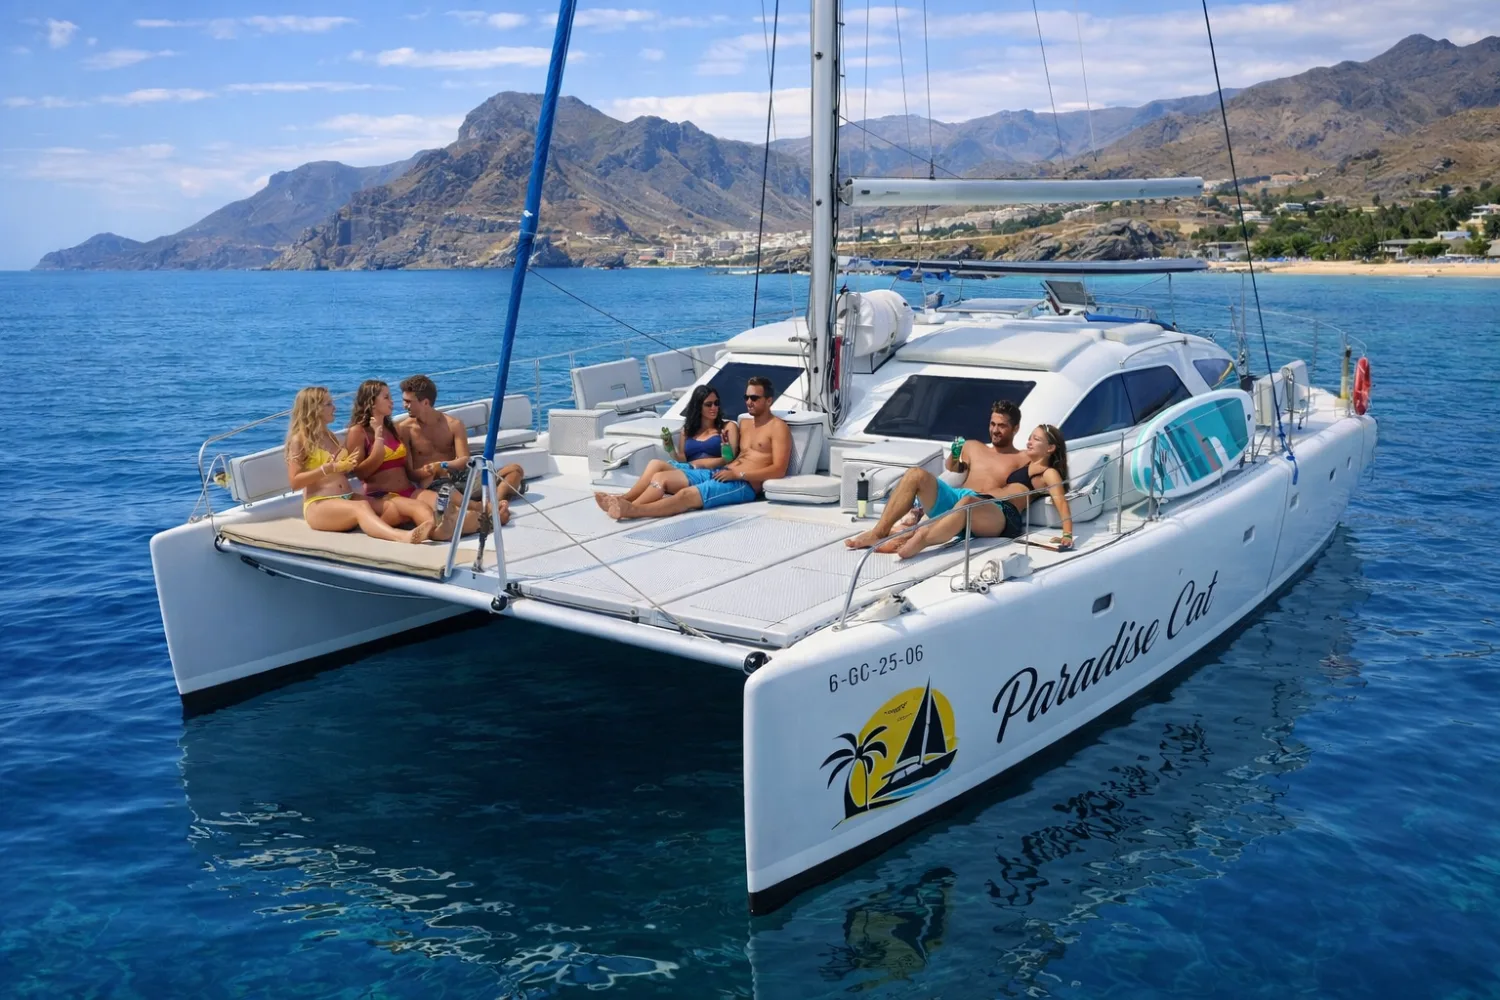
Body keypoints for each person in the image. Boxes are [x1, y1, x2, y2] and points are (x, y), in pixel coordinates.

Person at [595, 376, 790, 520]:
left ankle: (633, 510)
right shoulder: (746, 423)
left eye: (754, 398)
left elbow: (779, 470)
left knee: (686, 496)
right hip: (721, 473)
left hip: (744, 484)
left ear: (769, 400)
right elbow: (733, 456)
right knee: (661, 477)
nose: (748, 402)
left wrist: (738, 474)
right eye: (746, 397)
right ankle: (625, 502)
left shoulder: (778, 427)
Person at [846, 400, 1029, 551]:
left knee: (968, 503)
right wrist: (955, 454)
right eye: (992, 424)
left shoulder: (1022, 458)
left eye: (1002, 426)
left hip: (985, 511)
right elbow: (954, 468)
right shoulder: (973, 447)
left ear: (1015, 428)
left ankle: (915, 537)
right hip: (956, 499)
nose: (995, 430)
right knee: (915, 474)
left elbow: (1039, 474)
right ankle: (878, 532)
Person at [885, 423, 1074, 560]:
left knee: (967, 503)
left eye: (1036, 439)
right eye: (1030, 437)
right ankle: (908, 534)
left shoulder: (1048, 473)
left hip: (1006, 515)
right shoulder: (1027, 464)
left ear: (1050, 448)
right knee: (963, 500)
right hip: (987, 506)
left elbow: (1061, 501)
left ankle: (923, 539)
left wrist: (1067, 535)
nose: (1029, 442)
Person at [283, 386, 433, 544]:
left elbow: (337, 470)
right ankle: (401, 536)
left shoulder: (330, 435)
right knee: (361, 507)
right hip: (320, 503)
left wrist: (345, 465)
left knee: (392, 507)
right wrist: (326, 469)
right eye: (328, 404)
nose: (334, 408)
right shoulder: (299, 440)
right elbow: (295, 482)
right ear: (314, 409)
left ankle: (377, 529)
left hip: (347, 497)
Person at [398, 374, 523, 529]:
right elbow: (410, 473)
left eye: (408, 401)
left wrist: (442, 465)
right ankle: (487, 508)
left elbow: (464, 459)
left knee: (515, 470)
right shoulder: (404, 430)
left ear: (425, 402)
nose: (404, 405)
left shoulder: (453, 425)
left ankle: (493, 503)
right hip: (434, 483)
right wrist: (432, 470)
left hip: (459, 476)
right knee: (445, 492)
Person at [344, 379, 442, 530]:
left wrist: (429, 470)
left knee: (444, 503)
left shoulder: (394, 428)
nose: (392, 401)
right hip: (383, 496)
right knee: (424, 512)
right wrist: (378, 439)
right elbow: (360, 473)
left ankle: (464, 524)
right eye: (386, 397)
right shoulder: (358, 432)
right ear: (371, 402)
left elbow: (408, 471)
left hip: (409, 491)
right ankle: (436, 533)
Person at [668, 384, 739, 469]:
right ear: (698, 407)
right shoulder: (687, 430)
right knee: (657, 465)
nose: (714, 407)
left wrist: (696, 465)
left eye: (716, 403)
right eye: (709, 404)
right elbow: (682, 460)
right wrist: (670, 448)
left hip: (712, 471)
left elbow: (730, 459)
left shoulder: (727, 427)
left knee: (658, 467)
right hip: (688, 470)